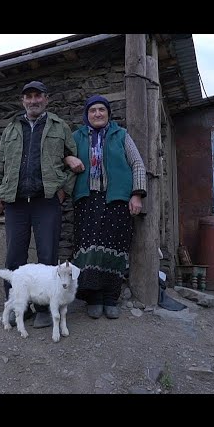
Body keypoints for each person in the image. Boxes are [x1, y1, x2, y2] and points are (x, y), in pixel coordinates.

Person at [0, 80, 77, 329]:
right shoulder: (11, 129)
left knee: (47, 256)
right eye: (28, 97)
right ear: (23, 101)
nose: (33, 100)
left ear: (46, 99)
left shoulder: (60, 127)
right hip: (16, 203)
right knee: (14, 258)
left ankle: (44, 309)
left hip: (46, 201)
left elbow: (75, 162)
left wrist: (63, 191)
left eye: (38, 96)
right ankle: (19, 307)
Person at [66, 94, 146, 319]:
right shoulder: (77, 136)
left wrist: (137, 195)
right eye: (93, 110)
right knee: (89, 248)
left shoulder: (121, 135)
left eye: (102, 110)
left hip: (116, 200)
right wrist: (67, 159)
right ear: (87, 115)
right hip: (86, 200)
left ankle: (111, 296)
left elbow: (137, 164)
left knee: (115, 248)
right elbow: (62, 156)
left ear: (109, 113)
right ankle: (94, 297)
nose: (97, 114)